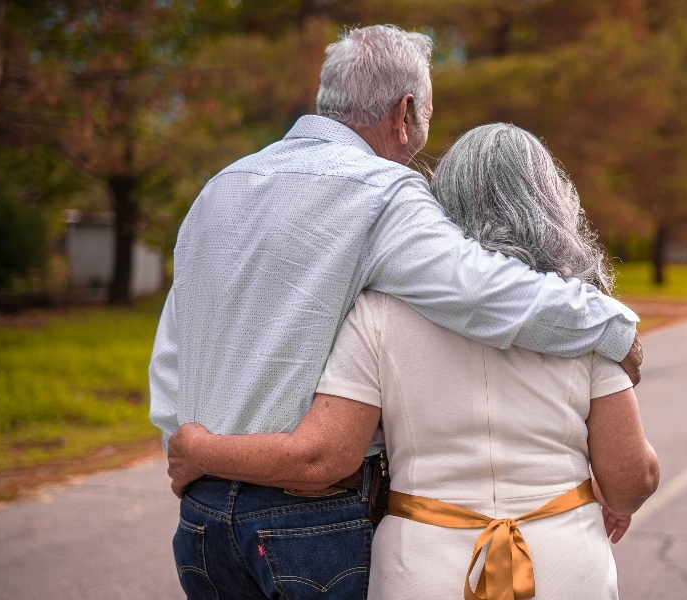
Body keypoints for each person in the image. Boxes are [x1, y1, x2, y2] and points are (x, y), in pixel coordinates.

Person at [149, 25, 643, 600]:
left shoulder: (221, 188)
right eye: (427, 116)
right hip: (311, 524)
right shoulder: (385, 193)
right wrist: (611, 325)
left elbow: (174, 347)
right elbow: (482, 292)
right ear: (405, 112)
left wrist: (186, 454)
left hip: (204, 521)